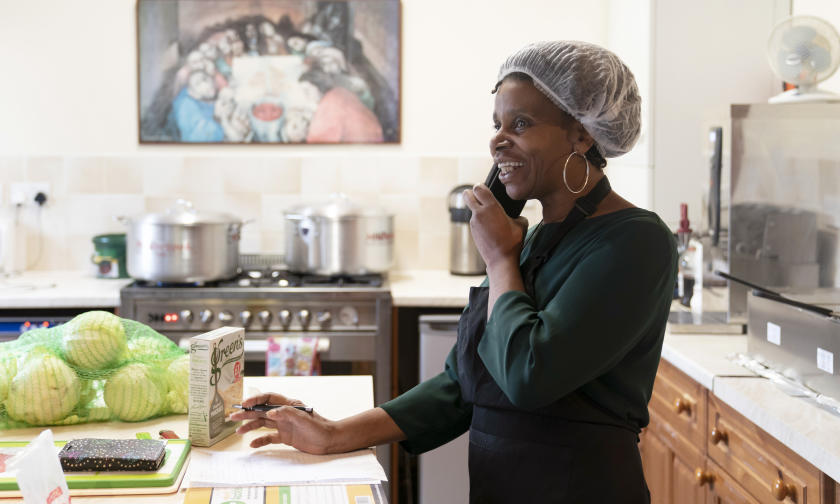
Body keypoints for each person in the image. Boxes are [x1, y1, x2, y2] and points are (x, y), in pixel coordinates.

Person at [230, 41, 678, 503]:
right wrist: (333, 433)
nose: (498, 140)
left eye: (521, 124)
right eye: (497, 124)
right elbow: (465, 384)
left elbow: (530, 374)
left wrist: (500, 261)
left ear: (582, 135)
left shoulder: (635, 242)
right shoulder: (535, 238)